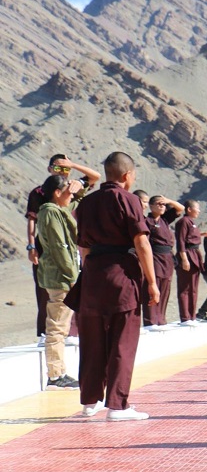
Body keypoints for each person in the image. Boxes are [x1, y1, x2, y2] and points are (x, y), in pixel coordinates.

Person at [73, 151, 159, 421]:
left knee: (92, 340)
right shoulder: (129, 200)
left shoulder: (86, 204)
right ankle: (118, 406)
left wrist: (89, 275)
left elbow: (83, 247)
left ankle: (89, 401)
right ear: (126, 175)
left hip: (92, 276)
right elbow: (142, 242)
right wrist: (153, 283)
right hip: (122, 275)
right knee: (123, 340)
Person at [25, 154, 99, 346]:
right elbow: (32, 219)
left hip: (71, 243)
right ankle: (45, 332)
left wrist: (74, 164)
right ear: (50, 169)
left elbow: (95, 177)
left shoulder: (72, 188)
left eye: (65, 168)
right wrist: (32, 245)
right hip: (48, 242)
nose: (63, 172)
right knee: (47, 287)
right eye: (58, 168)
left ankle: (70, 332)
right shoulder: (41, 192)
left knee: (72, 289)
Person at [35, 175, 81, 390]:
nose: (71, 195)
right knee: (56, 327)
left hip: (62, 276)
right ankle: (55, 375)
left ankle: (58, 371)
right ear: (57, 192)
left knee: (60, 326)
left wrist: (77, 186)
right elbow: (59, 247)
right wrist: (72, 277)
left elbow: (91, 180)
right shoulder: (51, 212)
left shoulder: (57, 210)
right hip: (60, 278)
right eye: (68, 191)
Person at [142, 195, 183, 328]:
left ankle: (161, 318)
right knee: (154, 286)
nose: (162, 206)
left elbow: (180, 208)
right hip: (155, 256)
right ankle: (151, 320)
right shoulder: (147, 221)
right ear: (151, 206)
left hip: (167, 257)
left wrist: (169, 200)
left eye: (163, 204)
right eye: (158, 204)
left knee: (165, 286)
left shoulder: (165, 220)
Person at [175, 200, 204, 323]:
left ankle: (192, 316)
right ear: (189, 209)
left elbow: (191, 237)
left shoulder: (192, 223)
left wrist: (202, 235)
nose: (199, 211)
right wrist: (184, 259)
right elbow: (181, 241)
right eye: (197, 208)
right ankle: (185, 317)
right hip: (187, 255)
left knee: (193, 288)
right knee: (185, 287)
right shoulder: (183, 222)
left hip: (195, 255)